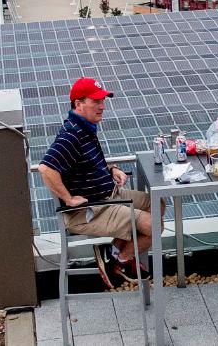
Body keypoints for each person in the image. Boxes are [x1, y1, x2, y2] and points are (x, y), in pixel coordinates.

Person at [38, 78, 151, 288]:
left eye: (103, 100)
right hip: (92, 210)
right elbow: (46, 168)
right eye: (96, 101)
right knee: (152, 225)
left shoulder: (85, 127)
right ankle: (119, 260)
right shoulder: (71, 135)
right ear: (78, 104)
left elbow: (86, 165)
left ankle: (112, 252)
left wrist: (111, 169)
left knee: (156, 203)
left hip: (108, 196)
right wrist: (68, 199)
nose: (102, 106)